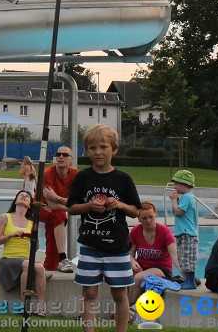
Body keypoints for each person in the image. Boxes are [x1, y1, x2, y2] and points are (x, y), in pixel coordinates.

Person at [67, 124, 141, 332]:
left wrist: (119, 204)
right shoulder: (82, 177)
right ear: (87, 151)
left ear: (114, 149)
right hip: (90, 246)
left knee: (120, 294)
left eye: (103, 147)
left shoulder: (123, 179)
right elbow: (71, 207)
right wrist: (89, 206)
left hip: (117, 248)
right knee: (89, 293)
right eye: (92, 148)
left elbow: (136, 210)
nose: (97, 152)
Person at [0, 189, 47, 315]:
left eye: (27, 196)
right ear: (16, 200)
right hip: (8, 259)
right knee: (28, 265)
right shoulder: (5, 217)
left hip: (26, 259)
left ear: (30, 204)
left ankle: (41, 307)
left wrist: (34, 238)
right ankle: (24, 306)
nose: (24, 196)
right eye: (21, 195)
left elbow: (36, 247)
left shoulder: (32, 222)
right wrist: (11, 235)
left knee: (40, 267)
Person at [128, 202, 179, 304]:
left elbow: (175, 256)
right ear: (138, 219)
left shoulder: (165, 232)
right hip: (141, 267)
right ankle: (125, 306)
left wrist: (186, 275)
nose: (148, 221)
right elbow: (130, 254)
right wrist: (133, 262)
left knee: (138, 278)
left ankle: (129, 308)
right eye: (144, 218)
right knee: (124, 276)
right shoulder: (135, 231)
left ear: (156, 214)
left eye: (151, 217)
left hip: (162, 269)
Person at [40, 145, 78, 272]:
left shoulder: (75, 174)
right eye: (58, 154)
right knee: (59, 214)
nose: (61, 157)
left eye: (65, 155)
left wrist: (57, 198)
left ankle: (50, 266)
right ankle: (63, 257)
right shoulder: (48, 173)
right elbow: (51, 205)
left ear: (71, 159)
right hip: (41, 207)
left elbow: (78, 201)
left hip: (56, 209)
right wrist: (71, 207)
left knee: (52, 245)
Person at [168, 169, 199, 289]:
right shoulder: (185, 198)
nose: (175, 187)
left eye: (176, 184)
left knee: (187, 258)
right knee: (183, 257)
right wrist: (175, 201)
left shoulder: (187, 197)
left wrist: (174, 200)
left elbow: (179, 212)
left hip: (187, 233)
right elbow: (175, 212)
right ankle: (188, 280)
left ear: (183, 184)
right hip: (183, 232)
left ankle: (190, 281)